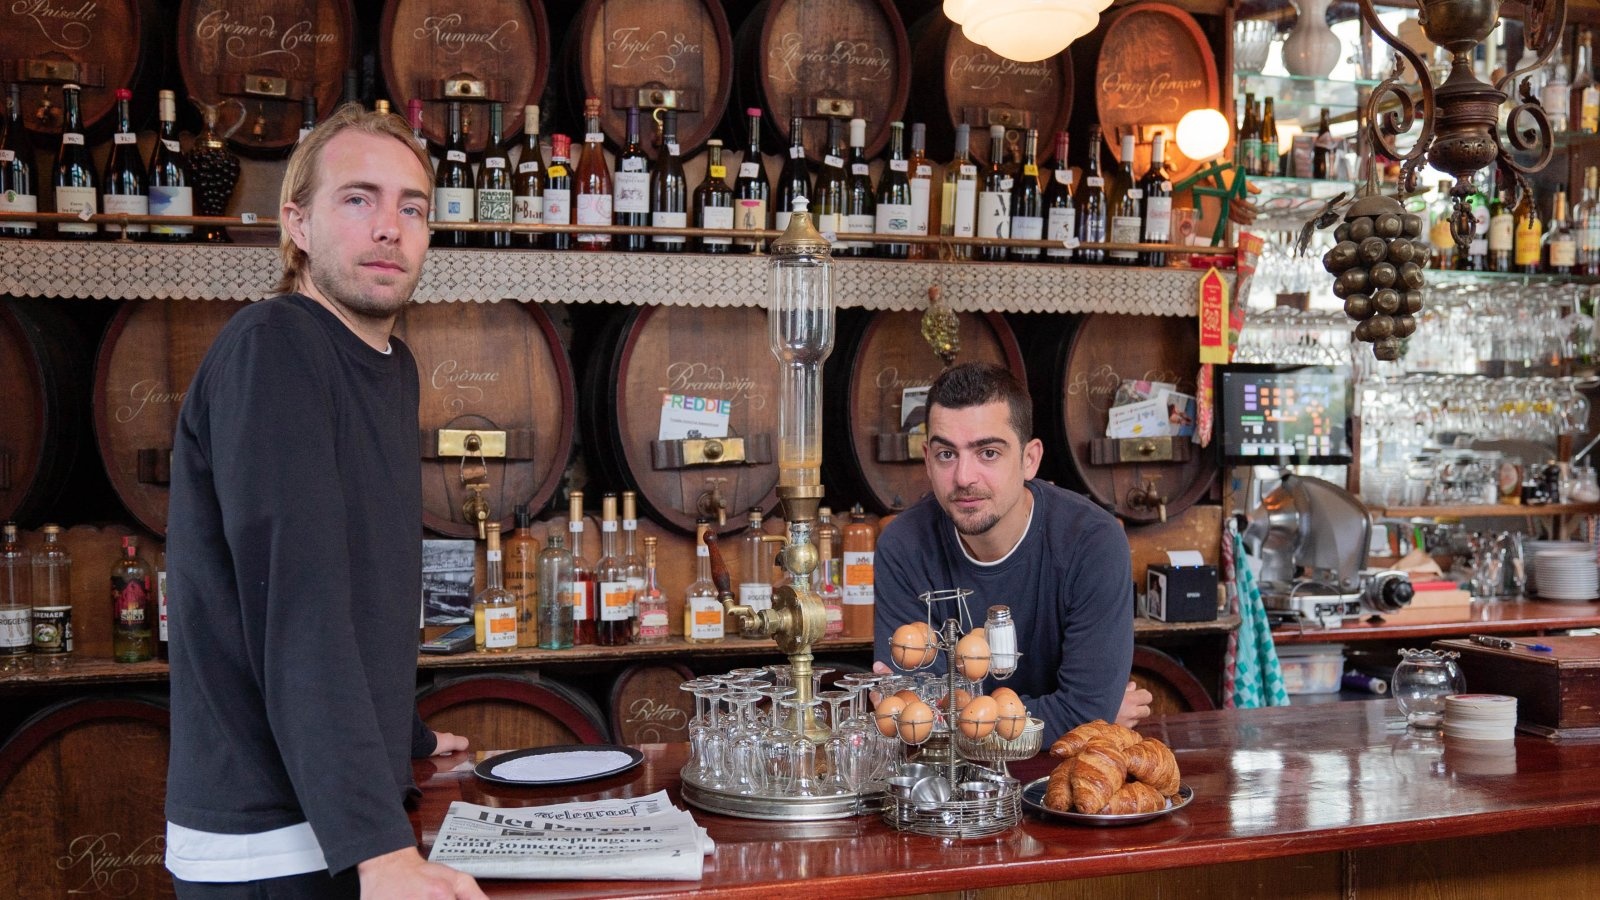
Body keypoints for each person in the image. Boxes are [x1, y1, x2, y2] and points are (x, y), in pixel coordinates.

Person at [163, 104, 485, 899]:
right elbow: (298, 602)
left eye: (413, 207)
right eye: (358, 199)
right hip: (271, 838)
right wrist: (379, 850)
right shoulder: (275, 347)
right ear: (296, 223)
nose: (390, 227)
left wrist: (402, 736)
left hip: (331, 818)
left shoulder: (385, 364)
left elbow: (360, 579)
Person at [872, 362, 1152, 738]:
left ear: (1029, 459)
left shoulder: (1093, 541)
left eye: (988, 453)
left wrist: (1086, 715)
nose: (964, 477)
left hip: (1056, 779)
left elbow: (1085, 710)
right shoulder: (902, 545)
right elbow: (916, 714)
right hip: (951, 781)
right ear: (926, 459)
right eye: (946, 455)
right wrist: (1076, 717)